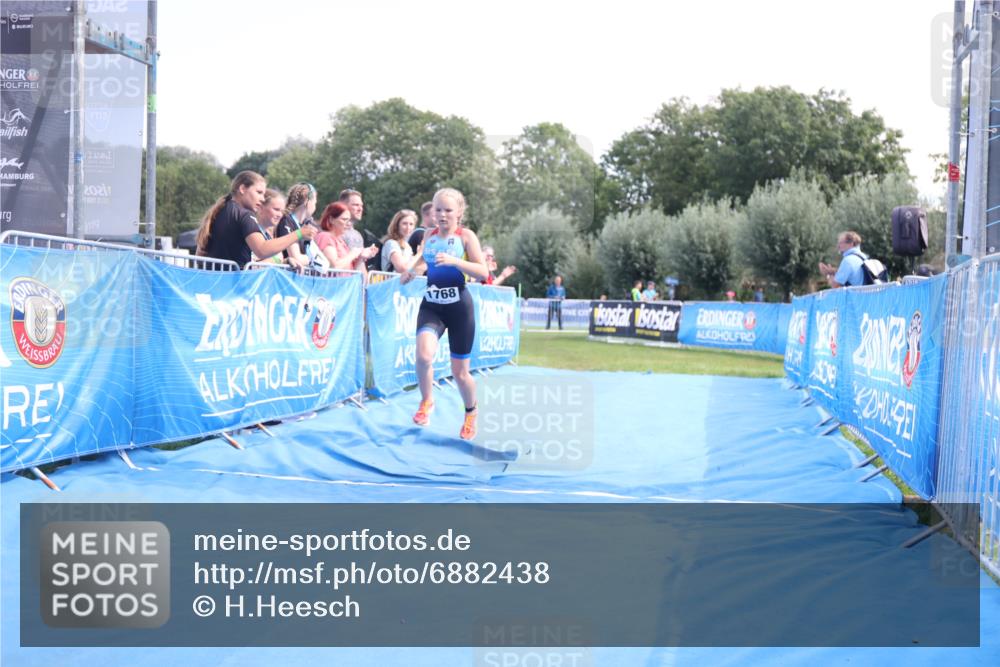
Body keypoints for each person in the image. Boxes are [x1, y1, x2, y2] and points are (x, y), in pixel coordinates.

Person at [401, 187, 488, 440]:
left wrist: (455, 262)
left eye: (448, 210)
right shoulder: (428, 234)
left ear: (459, 212)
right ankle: (427, 401)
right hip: (432, 305)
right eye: (437, 209)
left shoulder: (466, 236)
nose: (441, 215)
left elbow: (483, 272)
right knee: (423, 356)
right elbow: (423, 260)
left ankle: (471, 412)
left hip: (459, 308)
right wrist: (412, 271)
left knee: (460, 373)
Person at [196, 171, 315, 268]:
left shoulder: (219, 210)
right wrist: (299, 233)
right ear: (242, 189)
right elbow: (262, 249)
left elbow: (200, 255)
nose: (262, 199)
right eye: (259, 192)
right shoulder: (245, 214)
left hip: (214, 281)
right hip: (236, 284)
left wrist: (282, 261)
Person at [314, 202, 379, 271]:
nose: (349, 223)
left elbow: (354, 271)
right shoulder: (325, 237)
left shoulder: (340, 241)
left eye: (349, 220)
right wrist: (353, 254)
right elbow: (334, 266)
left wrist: (361, 257)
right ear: (331, 220)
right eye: (344, 219)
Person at [275, 182, 317, 270]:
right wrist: (315, 259)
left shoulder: (304, 224)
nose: (315, 207)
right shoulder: (287, 221)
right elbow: (296, 258)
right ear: (307, 201)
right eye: (315, 203)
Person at [251, 189, 288, 265]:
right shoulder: (251, 232)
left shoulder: (267, 235)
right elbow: (252, 266)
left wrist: (286, 262)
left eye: (282, 211)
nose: (280, 215)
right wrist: (276, 259)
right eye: (276, 209)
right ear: (260, 208)